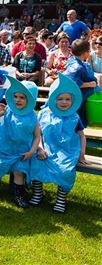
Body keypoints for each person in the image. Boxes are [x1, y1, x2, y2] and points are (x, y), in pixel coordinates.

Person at [28, 74, 88, 213]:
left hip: (66, 150)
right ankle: (37, 193)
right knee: (36, 164)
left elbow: (81, 135)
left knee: (65, 170)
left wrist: (82, 153)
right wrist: (40, 148)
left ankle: (61, 199)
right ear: (53, 99)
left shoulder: (74, 117)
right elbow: (38, 134)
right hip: (46, 147)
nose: (64, 102)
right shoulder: (44, 113)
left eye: (67, 99)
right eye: (60, 99)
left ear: (72, 101)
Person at [0, 76, 41, 208]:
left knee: (19, 172)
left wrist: (32, 151)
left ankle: (18, 196)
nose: (18, 100)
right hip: (2, 149)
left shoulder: (32, 116)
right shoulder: (7, 110)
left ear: (30, 99)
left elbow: (37, 136)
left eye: (22, 97)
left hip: (20, 152)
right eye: (16, 96)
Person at [63, 39, 99, 126]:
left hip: (81, 99)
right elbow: (70, 83)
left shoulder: (77, 62)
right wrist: (89, 84)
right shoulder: (76, 67)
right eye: (89, 51)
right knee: (74, 124)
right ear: (84, 53)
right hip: (76, 100)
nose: (90, 53)